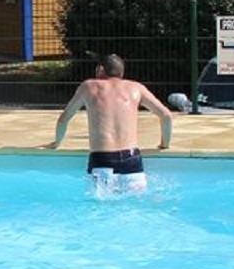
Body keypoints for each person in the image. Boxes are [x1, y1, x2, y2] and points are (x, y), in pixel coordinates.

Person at [43, 53, 173, 185]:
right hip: (132, 160)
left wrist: (57, 142)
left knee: (100, 204)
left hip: (102, 159)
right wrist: (164, 144)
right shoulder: (136, 88)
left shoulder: (89, 87)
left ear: (101, 69)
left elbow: (64, 119)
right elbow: (166, 116)